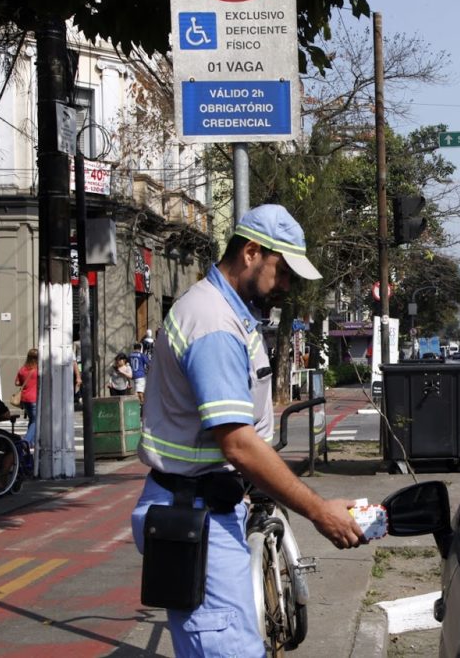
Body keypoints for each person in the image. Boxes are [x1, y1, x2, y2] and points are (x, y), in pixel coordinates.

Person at [131, 203, 363, 657]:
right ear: (252, 253)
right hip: (193, 514)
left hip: (207, 506)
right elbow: (237, 443)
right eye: (283, 272)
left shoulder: (230, 313)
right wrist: (319, 510)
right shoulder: (214, 322)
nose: (287, 286)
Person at [15, 348, 39, 445]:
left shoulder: (23, 369)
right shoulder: (39, 370)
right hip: (34, 398)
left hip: (25, 399)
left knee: (32, 420)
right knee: (36, 421)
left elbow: (17, 382)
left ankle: (32, 442)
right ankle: (26, 441)